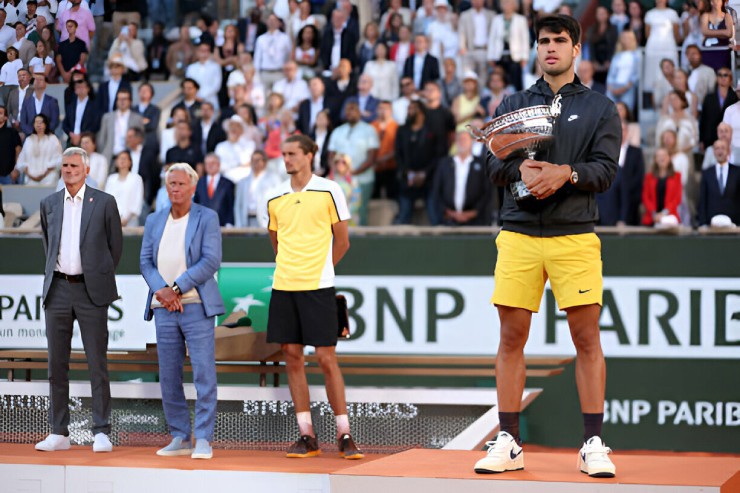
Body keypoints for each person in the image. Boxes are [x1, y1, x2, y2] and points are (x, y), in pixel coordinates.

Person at [477, 15, 620, 478]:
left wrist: (567, 173)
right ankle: (509, 442)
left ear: (576, 49)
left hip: (575, 234)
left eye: (560, 40)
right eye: (543, 41)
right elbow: (491, 165)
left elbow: (606, 171)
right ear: (536, 48)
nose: (551, 47)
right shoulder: (514, 103)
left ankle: (593, 444)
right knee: (510, 338)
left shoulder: (601, 108)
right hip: (518, 232)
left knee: (587, 339)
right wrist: (518, 169)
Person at [265, 134, 362, 460]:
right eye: (284, 154)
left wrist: (321, 272)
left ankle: (345, 434)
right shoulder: (273, 196)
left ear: (309, 155)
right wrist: (293, 270)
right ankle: (307, 435)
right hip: (284, 286)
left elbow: (343, 242)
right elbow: (276, 243)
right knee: (292, 356)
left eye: (292, 153)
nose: (286, 159)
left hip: (318, 287)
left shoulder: (330, 190)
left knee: (325, 358)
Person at [36, 146, 122, 453]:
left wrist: (96, 276)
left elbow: (115, 248)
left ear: (86, 170)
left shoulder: (105, 202)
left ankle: (102, 431)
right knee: (56, 365)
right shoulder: (49, 204)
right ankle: (59, 432)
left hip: (90, 291)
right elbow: (48, 245)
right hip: (57, 289)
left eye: (74, 165)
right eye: (65, 166)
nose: (69, 170)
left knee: (97, 363)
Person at [140, 162, 224, 460]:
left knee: (203, 373)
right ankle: (180, 435)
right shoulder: (154, 219)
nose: (175, 188)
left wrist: (175, 288)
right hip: (163, 307)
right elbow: (145, 262)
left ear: (192, 187)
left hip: (197, 305)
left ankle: (203, 438)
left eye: (180, 184)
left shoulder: (207, 217)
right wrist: (162, 291)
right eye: (171, 184)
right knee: (168, 375)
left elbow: (210, 260)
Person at [327, 98, 379, 226]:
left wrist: (354, 172)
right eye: (348, 110)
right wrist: (338, 171)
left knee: (359, 210)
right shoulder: (338, 131)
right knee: (338, 211)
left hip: (362, 179)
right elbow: (331, 155)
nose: (350, 112)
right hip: (341, 180)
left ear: (359, 112)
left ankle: (361, 238)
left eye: (353, 109)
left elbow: (372, 157)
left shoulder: (369, 130)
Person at [432, 131, 491, 226]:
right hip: (448, 220)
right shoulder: (444, 164)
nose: (462, 142)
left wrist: (473, 213)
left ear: (471, 142)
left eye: (465, 139)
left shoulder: (481, 164)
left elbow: (487, 192)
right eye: (459, 140)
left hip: (476, 222)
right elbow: (436, 191)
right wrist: (449, 212)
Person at [597, 120, 645, 226]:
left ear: (627, 132)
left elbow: (639, 177)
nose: (621, 132)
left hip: (630, 204)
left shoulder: (636, 152)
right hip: (607, 205)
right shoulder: (606, 151)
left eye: (623, 129)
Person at [487, 0, 530, 92]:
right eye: (505, 3)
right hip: (499, 56)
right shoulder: (496, 19)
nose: (507, 5)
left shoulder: (521, 19)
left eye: (509, 3)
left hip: (515, 56)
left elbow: (525, 39)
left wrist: (524, 57)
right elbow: (492, 38)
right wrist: (490, 56)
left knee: (515, 81)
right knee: (501, 79)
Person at [697, 138, 740, 225]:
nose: (720, 151)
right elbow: (703, 200)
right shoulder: (707, 173)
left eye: (723, 148)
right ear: (713, 152)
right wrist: (703, 223)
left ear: (728, 151)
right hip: (711, 224)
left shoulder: (737, 172)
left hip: (734, 223)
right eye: (717, 148)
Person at [97, 88, 145, 164]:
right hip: (109, 157)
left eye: (125, 99)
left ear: (130, 101)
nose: (122, 101)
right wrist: (103, 153)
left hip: (129, 158)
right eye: (119, 99)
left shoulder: (137, 118)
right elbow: (102, 139)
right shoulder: (107, 117)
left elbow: (140, 139)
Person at [233, 150, 280, 227]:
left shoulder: (273, 179)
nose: (255, 163)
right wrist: (238, 224)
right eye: (253, 160)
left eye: (257, 160)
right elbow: (238, 205)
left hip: (265, 220)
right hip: (246, 220)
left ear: (264, 162)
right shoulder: (243, 182)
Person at [15, 113, 62, 186]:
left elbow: (59, 160)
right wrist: (30, 175)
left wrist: (43, 175)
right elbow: (21, 161)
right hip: (31, 180)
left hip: (49, 180)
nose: (38, 125)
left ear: (45, 124)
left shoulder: (53, 139)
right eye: (36, 122)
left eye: (41, 122)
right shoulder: (29, 140)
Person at [641, 147, 683, 226]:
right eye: (659, 156)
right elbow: (645, 197)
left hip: (669, 217)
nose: (661, 158)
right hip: (652, 218)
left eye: (664, 155)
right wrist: (654, 213)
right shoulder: (649, 177)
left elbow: (677, 198)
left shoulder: (677, 176)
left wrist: (664, 213)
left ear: (669, 158)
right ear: (655, 159)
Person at [458, 0, 495, 84]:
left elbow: (493, 34)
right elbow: (461, 33)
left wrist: (492, 52)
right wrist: (462, 47)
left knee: (483, 78)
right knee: (468, 77)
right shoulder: (465, 15)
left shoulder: (491, 15)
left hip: (485, 51)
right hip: (470, 50)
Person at [193, 153, 235, 227]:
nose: (210, 166)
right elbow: (196, 204)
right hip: (203, 226)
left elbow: (231, 205)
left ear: (218, 164)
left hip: (222, 226)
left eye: (212, 163)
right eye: (207, 163)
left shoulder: (228, 184)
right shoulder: (199, 183)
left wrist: (229, 223)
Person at [105, 150, 144, 227]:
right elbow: (106, 200)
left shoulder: (136, 178)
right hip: (112, 221)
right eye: (120, 158)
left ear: (130, 162)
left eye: (125, 158)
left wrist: (126, 219)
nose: (122, 161)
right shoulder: (111, 179)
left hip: (130, 221)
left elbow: (137, 200)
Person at [62, 77, 101, 147]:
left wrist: (81, 135)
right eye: (78, 87)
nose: (80, 89)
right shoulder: (71, 104)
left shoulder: (94, 105)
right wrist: (70, 133)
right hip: (71, 139)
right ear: (75, 90)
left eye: (83, 87)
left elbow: (96, 124)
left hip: (87, 141)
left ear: (88, 89)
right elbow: (65, 123)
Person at [20, 69, 60, 136]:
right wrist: (33, 133)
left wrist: (44, 133)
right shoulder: (26, 102)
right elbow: (23, 123)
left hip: (48, 136)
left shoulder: (52, 101)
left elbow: (54, 121)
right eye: (36, 79)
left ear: (45, 84)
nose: (38, 81)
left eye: (40, 79)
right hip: (31, 136)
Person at [0, 105, 22, 185]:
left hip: (8, 175)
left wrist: (16, 169)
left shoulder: (12, 132)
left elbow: (18, 151)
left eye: (0, 113)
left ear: (6, 117)